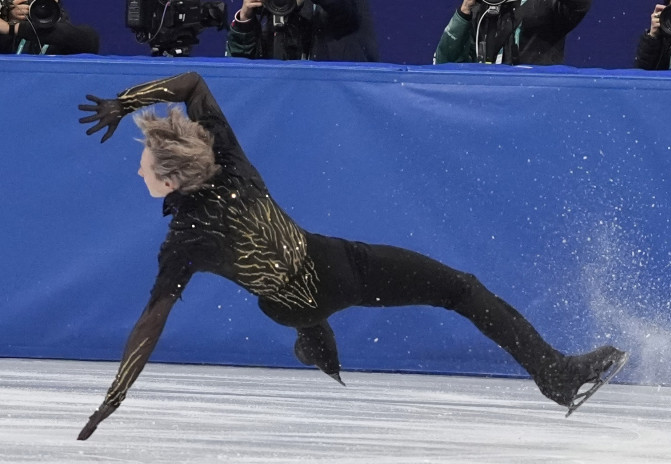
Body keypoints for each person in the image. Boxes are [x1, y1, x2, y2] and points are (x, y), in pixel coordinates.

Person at [75, 71, 628, 440]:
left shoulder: (186, 239)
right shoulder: (228, 160)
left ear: (171, 181)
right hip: (336, 270)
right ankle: (554, 373)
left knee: (289, 305)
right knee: (460, 289)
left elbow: (151, 321)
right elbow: (192, 83)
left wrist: (115, 395)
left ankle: (312, 340)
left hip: (286, 303)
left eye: (145, 166)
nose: (138, 170)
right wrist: (125, 103)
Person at [433, 0, 592, 65]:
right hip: (487, 108)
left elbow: (579, 5)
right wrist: (464, 12)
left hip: (533, 105)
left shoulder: (547, 6)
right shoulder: (479, 10)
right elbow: (444, 64)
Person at [225, 0, 379, 61]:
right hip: (284, 102)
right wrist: (245, 19)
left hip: (334, 99)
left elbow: (344, 10)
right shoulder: (275, 9)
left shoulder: (345, 9)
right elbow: (239, 72)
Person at [0, 0, 100, 55]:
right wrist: (8, 20)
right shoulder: (9, 30)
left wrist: (13, 28)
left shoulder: (71, 35)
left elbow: (87, 39)